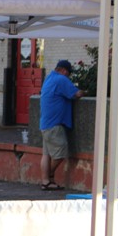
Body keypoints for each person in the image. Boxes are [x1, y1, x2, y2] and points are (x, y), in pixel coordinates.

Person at [39, 59, 83, 191]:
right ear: (64, 71)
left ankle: (46, 182)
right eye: (68, 74)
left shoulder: (49, 78)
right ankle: (48, 176)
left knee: (46, 154)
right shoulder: (61, 79)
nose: (68, 77)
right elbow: (76, 94)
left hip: (45, 123)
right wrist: (84, 91)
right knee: (60, 152)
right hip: (54, 124)